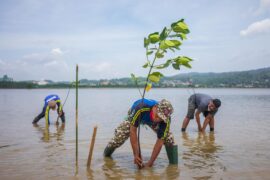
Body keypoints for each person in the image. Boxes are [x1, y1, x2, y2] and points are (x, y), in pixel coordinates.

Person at [104, 98, 175, 168]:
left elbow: (160, 141)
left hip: (149, 120)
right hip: (136, 114)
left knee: (168, 138)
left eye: (161, 118)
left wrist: (150, 163)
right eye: (157, 115)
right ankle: (106, 155)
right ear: (155, 107)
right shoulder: (141, 108)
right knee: (120, 137)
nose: (157, 119)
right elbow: (133, 131)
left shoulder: (166, 119)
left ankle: (173, 167)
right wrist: (136, 154)